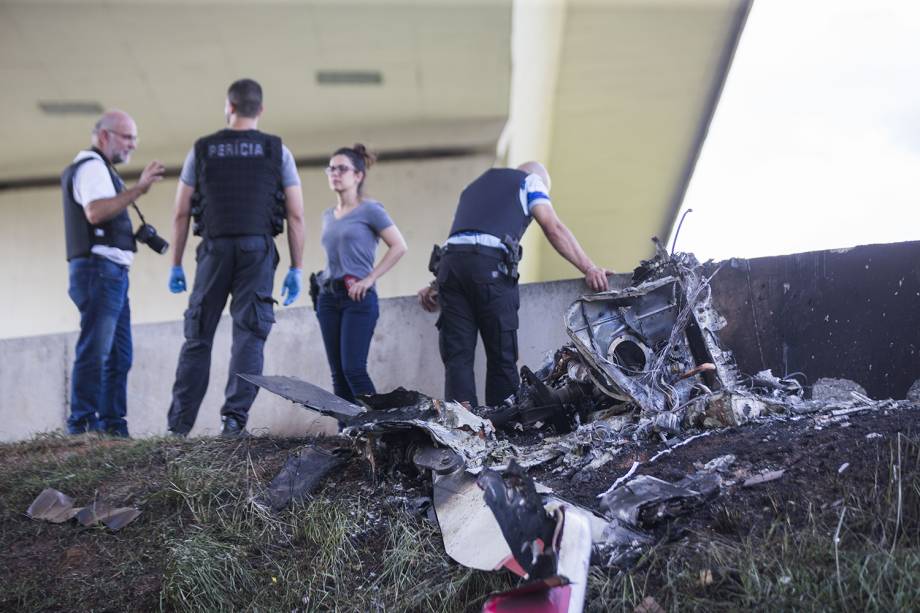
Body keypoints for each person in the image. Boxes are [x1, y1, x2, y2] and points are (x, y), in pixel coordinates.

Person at [166, 78, 305, 437]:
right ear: (260, 110)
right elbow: (296, 216)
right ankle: (233, 420)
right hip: (257, 252)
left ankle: (178, 428)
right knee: (249, 336)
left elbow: (181, 213)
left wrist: (176, 263)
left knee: (198, 337)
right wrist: (296, 268)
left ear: (228, 107)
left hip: (213, 250)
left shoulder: (202, 150)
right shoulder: (278, 151)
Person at [417, 161, 610, 407]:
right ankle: (505, 425)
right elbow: (553, 228)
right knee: (502, 356)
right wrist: (589, 268)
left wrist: (436, 285)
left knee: (458, 358)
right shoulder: (529, 181)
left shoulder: (473, 187)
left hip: (450, 270)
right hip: (490, 271)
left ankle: (462, 429)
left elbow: (463, 241)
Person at [61, 110, 166, 436]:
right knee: (97, 348)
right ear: (104, 136)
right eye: (127, 137)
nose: (133, 145)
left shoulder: (100, 169)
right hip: (99, 272)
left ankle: (112, 425)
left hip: (111, 274)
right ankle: (82, 423)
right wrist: (139, 189)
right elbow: (95, 212)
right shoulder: (91, 167)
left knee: (119, 354)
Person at [316, 144, 407, 402]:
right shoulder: (328, 216)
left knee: (353, 370)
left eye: (342, 169)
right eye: (331, 169)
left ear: (358, 175)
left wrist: (370, 279)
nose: (335, 173)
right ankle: (347, 431)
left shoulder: (370, 210)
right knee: (338, 375)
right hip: (328, 299)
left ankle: (375, 429)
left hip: (357, 297)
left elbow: (399, 246)